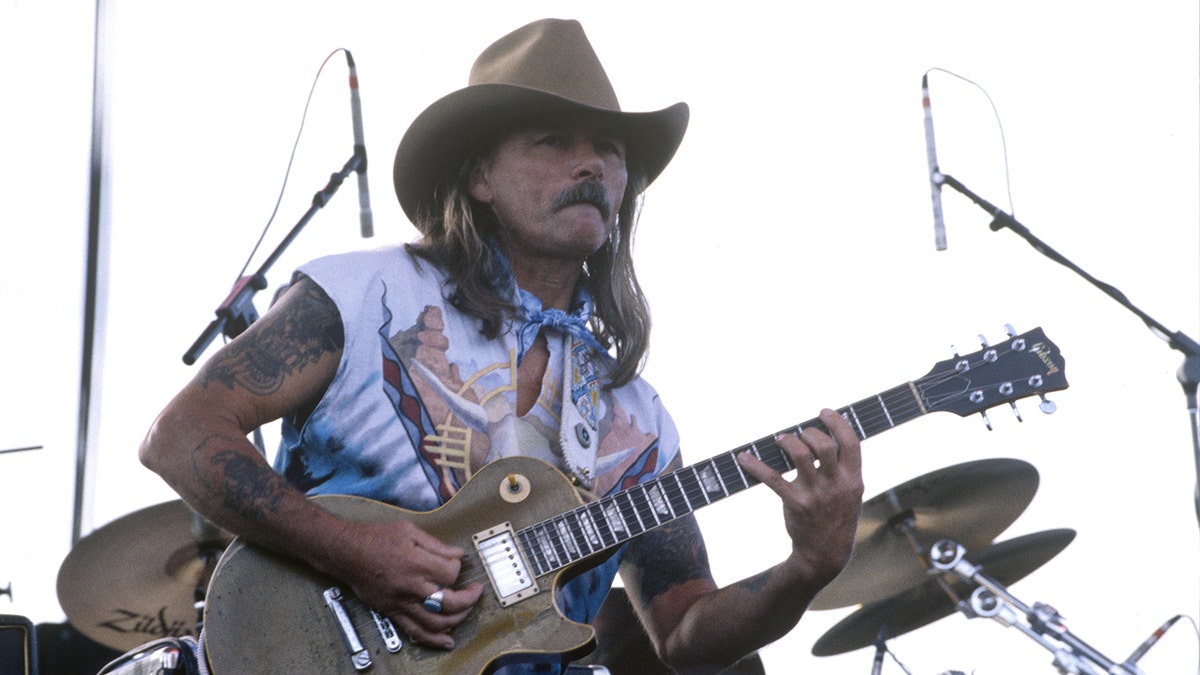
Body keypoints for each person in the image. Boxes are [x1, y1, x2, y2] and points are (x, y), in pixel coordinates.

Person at [140, 18, 864, 674]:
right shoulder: (360, 295)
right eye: (555, 141)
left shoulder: (636, 423)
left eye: (608, 151)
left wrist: (809, 565)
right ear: (480, 175)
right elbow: (180, 435)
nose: (590, 167)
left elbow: (684, 636)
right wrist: (349, 549)